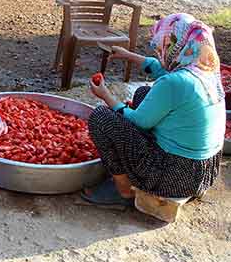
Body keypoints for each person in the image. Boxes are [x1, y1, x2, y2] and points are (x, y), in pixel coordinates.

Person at [83, 13, 225, 206]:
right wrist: (128, 56)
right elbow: (164, 70)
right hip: (204, 172)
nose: (160, 51)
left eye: (162, 46)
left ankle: (124, 190)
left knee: (101, 118)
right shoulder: (205, 70)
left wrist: (106, 95)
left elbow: (139, 122)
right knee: (143, 92)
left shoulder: (175, 82)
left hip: (175, 177)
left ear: (174, 46)